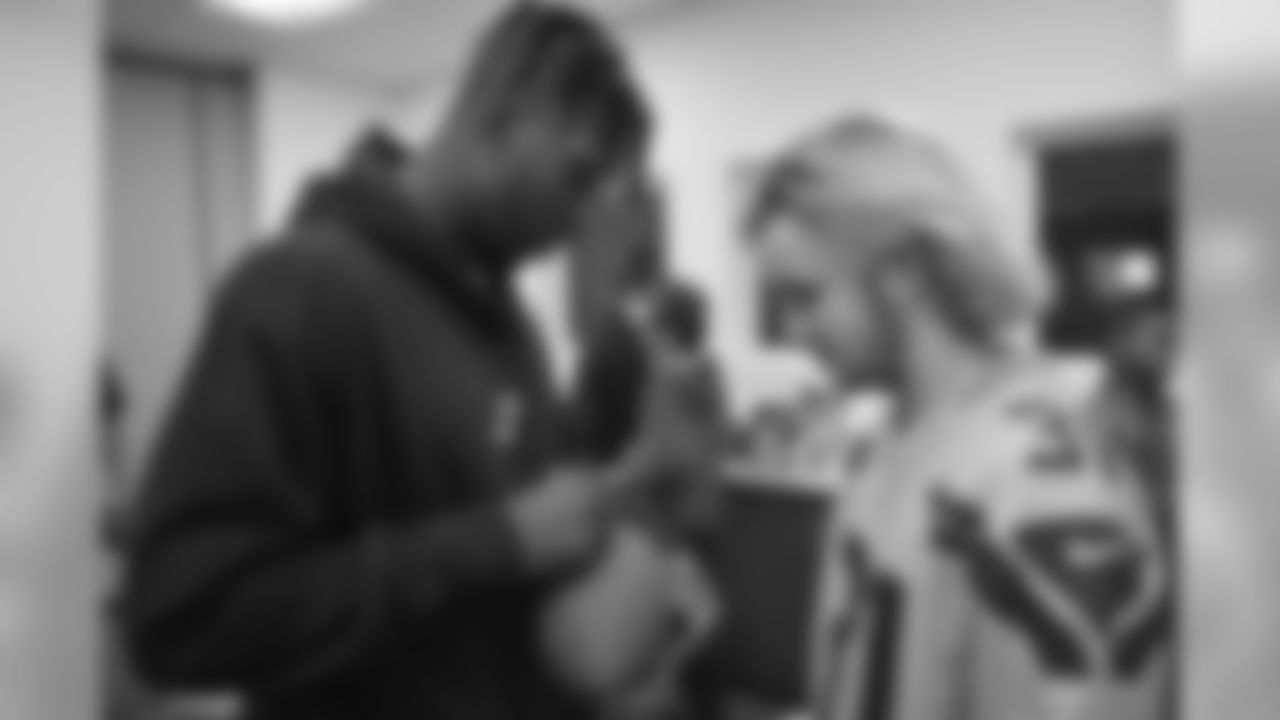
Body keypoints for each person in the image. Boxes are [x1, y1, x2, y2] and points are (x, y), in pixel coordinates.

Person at [121, 4, 654, 720]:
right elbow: (183, 619)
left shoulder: (516, 329)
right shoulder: (295, 293)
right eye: (578, 176)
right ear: (505, 111)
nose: (584, 220)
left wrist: (609, 512)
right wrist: (493, 543)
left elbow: (520, 554)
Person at [742, 112, 1172, 720]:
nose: (792, 332)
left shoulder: (1040, 483)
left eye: (805, 297)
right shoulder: (895, 440)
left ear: (904, 274)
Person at [545, 174, 727, 720]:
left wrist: (608, 480)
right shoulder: (711, 373)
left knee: (675, 630)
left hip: (665, 523)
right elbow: (687, 447)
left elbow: (660, 453)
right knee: (701, 622)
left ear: (664, 325)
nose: (645, 325)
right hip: (703, 514)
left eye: (654, 320)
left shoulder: (663, 378)